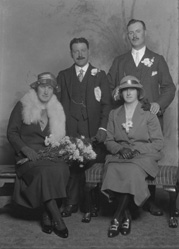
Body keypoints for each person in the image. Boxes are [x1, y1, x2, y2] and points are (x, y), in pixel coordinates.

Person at [107, 19, 176, 216]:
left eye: (138, 31)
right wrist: (114, 92)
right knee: (127, 154)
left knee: (146, 156)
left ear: (145, 33)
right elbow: (110, 85)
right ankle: (125, 200)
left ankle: (148, 199)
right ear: (127, 36)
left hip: (149, 119)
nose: (135, 35)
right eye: (131, 33)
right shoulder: (120, 61)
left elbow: (169, 88)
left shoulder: (157, 59)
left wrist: (159, 104)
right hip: (126, 120)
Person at [7, 72, 70, 238]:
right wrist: (25, 149)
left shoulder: (57, 109)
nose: (46, 91)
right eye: (43, 87)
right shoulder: (23, 105)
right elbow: (12, 132)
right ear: (36, 87)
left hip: (48, 154)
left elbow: (60, 137)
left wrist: (59, 149)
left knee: (63, 169)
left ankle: (47, 214)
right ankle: (58, 220)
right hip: (28, 156)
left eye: (50, 88)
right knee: (44, 173)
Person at [101, 75, 164, 237]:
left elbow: (158, 143)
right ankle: (126, 215)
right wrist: (120, 149)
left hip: (143, 156)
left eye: (132, 89)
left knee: (132, 171)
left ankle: (116, 217)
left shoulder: (148, 114)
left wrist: (136, 149)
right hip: (120, 156)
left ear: (138, 92)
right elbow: (108, 140)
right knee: (114, 168)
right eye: (124, 90)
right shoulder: (114, 114)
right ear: (120, 93)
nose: (128, 93)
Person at [56, 37, 112, 220]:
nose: (80, 54)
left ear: (89, 52)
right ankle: (77, 202)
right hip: (70, 132)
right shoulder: (64, 76)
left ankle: (85, 200)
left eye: (83, 50)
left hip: (94, 133)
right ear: (71, 53)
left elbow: (106, 105)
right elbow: (56, 107)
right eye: (75, 51)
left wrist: (103, 129)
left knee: (87, 158)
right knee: (73, 157)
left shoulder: (100, 75)